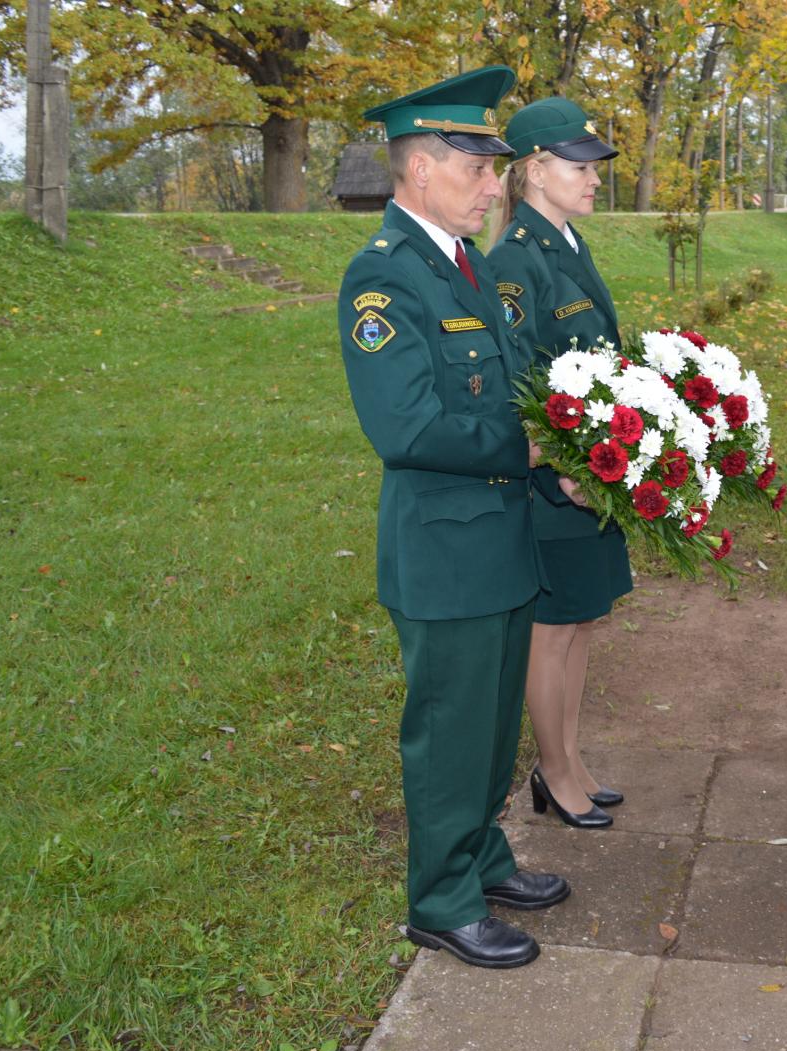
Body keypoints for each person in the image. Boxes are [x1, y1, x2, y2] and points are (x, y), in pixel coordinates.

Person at [337, 67, 567, 970]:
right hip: (446, 552)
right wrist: (530, 452)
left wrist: (566, 457)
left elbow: (509, 393)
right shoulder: (383, 278)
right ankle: (440, 900)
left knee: (492, 720)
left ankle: (483, 858)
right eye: (477, 167)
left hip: (498, 543)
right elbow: (408, 426)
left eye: (496, 166)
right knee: (449, 731)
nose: (493, 183)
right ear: (421, 168)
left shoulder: (463, 264)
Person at [488, 98, 631, 830]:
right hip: (556, 483)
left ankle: (570, 759)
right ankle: (551, 770)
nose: (596, 178)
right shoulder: (516, 260)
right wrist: (563, 468)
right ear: (535, 171)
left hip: (592, 474)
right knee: (553, 628)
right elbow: (519, 387)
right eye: (581, 166)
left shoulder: (567, 245)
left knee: (582, 622)